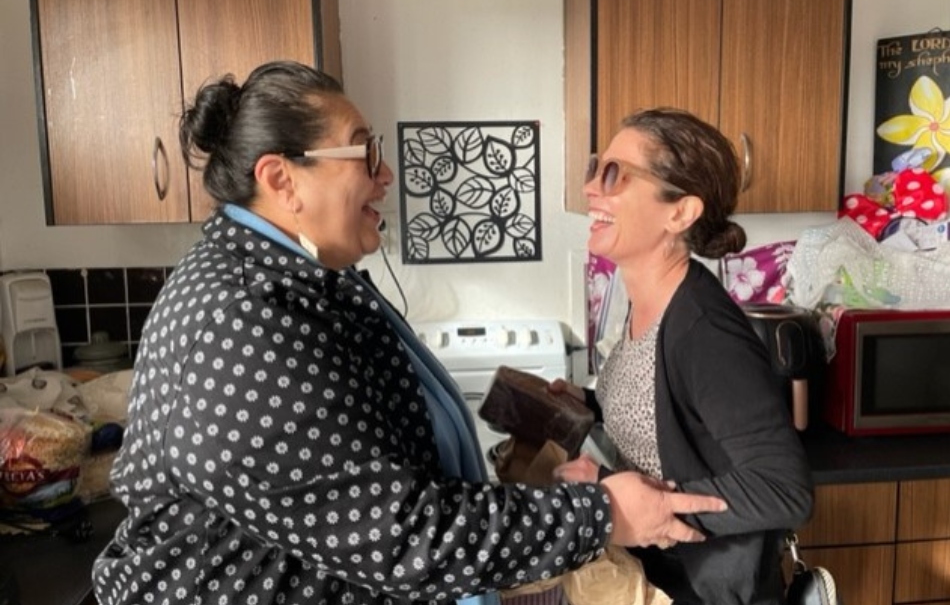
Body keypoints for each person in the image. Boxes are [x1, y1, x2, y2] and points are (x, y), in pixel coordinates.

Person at [91, 62, 727, 605]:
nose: (386, 174)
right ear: (282, 180)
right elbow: (396, 531)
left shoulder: (302, 278)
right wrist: (602, 514)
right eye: (364, 152)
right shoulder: (241, 321)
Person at [551, 107, 814, 605]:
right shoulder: (646, 302)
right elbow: (669, 418)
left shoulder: (704, 332)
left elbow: (785, 489)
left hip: (706, 592)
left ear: (680, 213)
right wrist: (585, 405)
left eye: (614, 175)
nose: (591, 189)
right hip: (654, 582)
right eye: (594, 168)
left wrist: (633, 502)